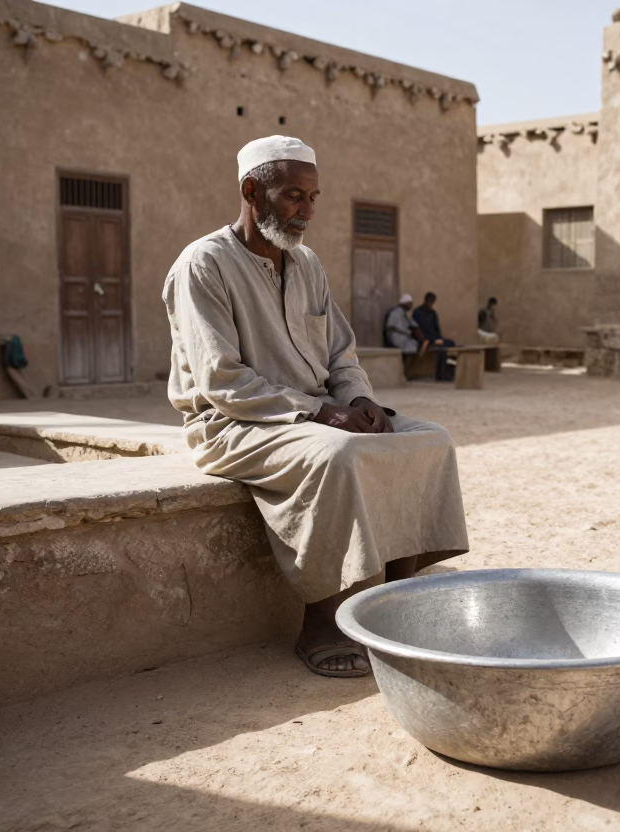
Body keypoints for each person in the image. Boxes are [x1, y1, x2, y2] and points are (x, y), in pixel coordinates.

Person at [162, 135, 469, 678]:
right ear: (251, 191)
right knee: (339, 454)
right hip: (233, 422)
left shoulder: (306, 265)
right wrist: (322, 412)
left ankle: (398, 605)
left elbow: (340, 354)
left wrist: (360, 401)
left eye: (313, 197)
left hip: (319, 413)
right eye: (293, 196)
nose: (306, 210)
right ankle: (321, 622)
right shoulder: (203, 264)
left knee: (428, 440)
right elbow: (221, 379)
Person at [412, 292, 455, 381]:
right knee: (440, 347)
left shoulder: (432, 313)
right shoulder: (417, 313)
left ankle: (443, 372)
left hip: (434, 337)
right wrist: (429, 340)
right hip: (424, 339)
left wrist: (439, 338)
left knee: (449, 344)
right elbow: (416, 329)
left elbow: (436, 328)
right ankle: (441, 374)